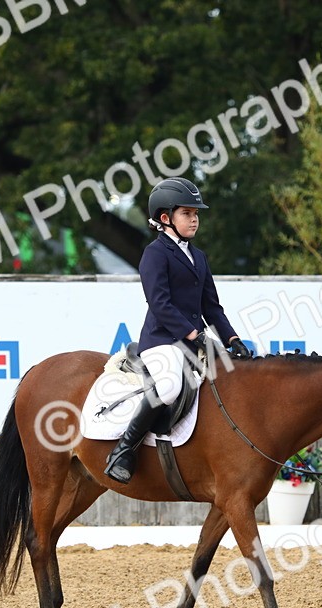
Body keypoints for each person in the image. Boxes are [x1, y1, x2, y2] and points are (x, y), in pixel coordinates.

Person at [105, 177, 252, 483]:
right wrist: (193, 335)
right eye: (187, 213)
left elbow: (212, 307)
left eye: (196, 214)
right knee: (170, 385)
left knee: (232, 378)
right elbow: (160, 304)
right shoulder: (155, 254)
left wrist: (232, 339)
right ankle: (123, 450)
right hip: (162, 341)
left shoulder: (199, 257)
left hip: (192, 341)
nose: (194, 219)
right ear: (165, 218)